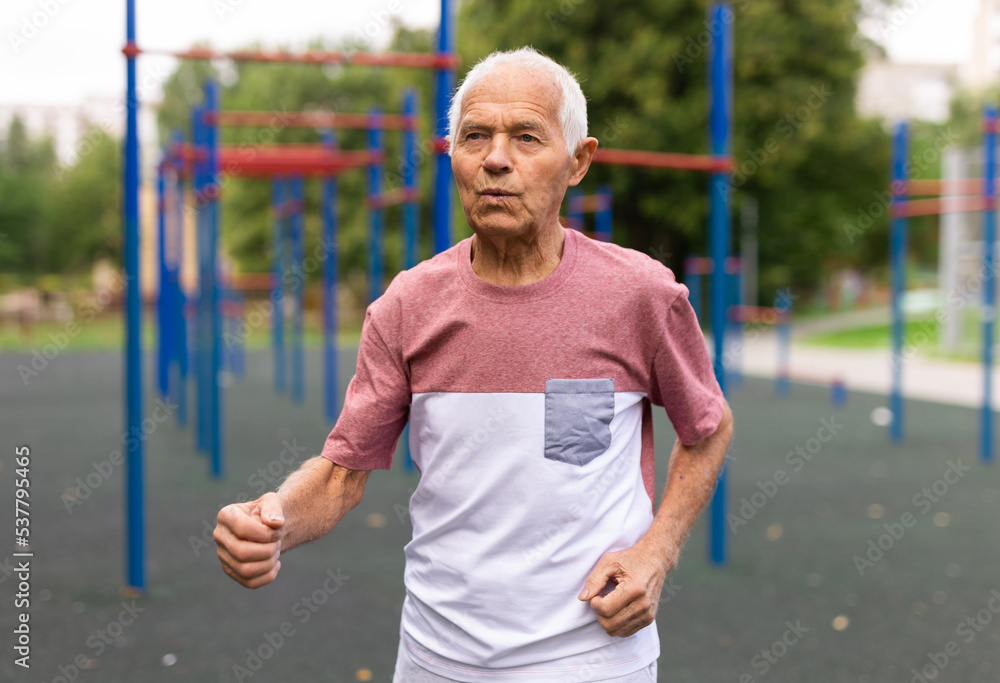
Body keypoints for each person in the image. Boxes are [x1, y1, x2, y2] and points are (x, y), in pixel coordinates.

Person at [214, 47, 734, 682]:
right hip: (437, 657)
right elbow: (339, 475)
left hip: (592, 658)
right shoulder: (407, 304)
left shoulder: (640, 296)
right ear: (452, 157)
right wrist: (273, 522)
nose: (495, 158)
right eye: (475, 136)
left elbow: (707, 430)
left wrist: (657, 551)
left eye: (525, 137)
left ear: (578, 162)